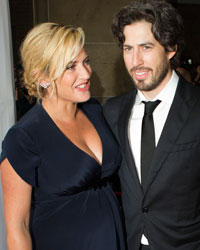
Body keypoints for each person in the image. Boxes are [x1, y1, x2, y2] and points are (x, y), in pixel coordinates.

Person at [0, 23, 126, 250]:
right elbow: (17, 227)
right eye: (71, 66)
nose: (86, 73)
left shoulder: (94, 110)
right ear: (43, 77)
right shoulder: (24, 138)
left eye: (86, 61)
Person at [103, 1, 200, 250]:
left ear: (170, 48)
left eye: (146, 47)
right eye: (128, 49)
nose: (136, 61)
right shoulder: (113, 112)